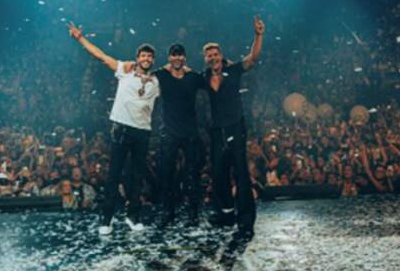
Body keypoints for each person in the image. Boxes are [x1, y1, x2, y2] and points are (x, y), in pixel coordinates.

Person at [68, 22, 160, 235]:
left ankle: (133, 216)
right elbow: (101, 55)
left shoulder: (157, 81)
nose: (146, 59)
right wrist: (81, 39)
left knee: (137, 176)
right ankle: (106, 219)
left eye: (149, 57)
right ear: (138, 58)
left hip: (143, 132)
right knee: (114, 175)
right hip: (121, 129)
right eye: (143, 56)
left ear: (152, 60)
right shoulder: (124, 71)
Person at [202, 15, 265, 237]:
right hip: (217, 130)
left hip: (236, 127)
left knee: (240, 172)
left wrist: (258, 35)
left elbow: (253, 58)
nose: (213, 58)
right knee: (219, 174)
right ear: (206, 59)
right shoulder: (204, 77)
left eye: (215, 54)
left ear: (221, 55)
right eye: (209, 56)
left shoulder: (234, 70)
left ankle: (246, 219)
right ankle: (226, 213)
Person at [152, 44, 206, 228]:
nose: (177, 58)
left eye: (180, 55)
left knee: (193, 175)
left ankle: (193, 213)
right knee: (166, 174)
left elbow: (210, 79)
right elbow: (145, 75)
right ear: (169, 58)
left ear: (184, 58)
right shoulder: (162, 75)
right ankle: (168, 212)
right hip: (169, 131)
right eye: (173, 55)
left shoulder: (192, 77)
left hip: (190, 132)